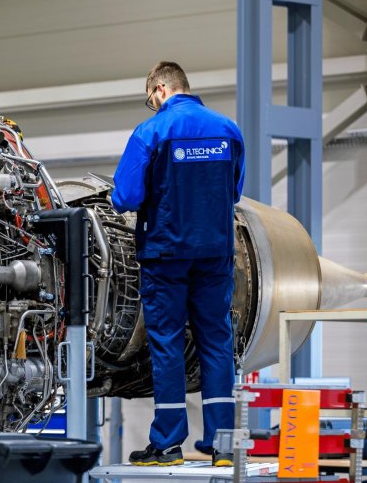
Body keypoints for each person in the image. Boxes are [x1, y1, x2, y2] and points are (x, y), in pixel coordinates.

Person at [111, 61, 244, 467]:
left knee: (167, 343)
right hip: (216, 254)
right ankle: (223, 445)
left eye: (150, 98)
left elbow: (125, 197)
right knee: (217, 342)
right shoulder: (229, 130)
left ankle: (168, 444)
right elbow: (235, 191)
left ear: (161, 90)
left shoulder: (151, 132)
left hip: (166, 255)